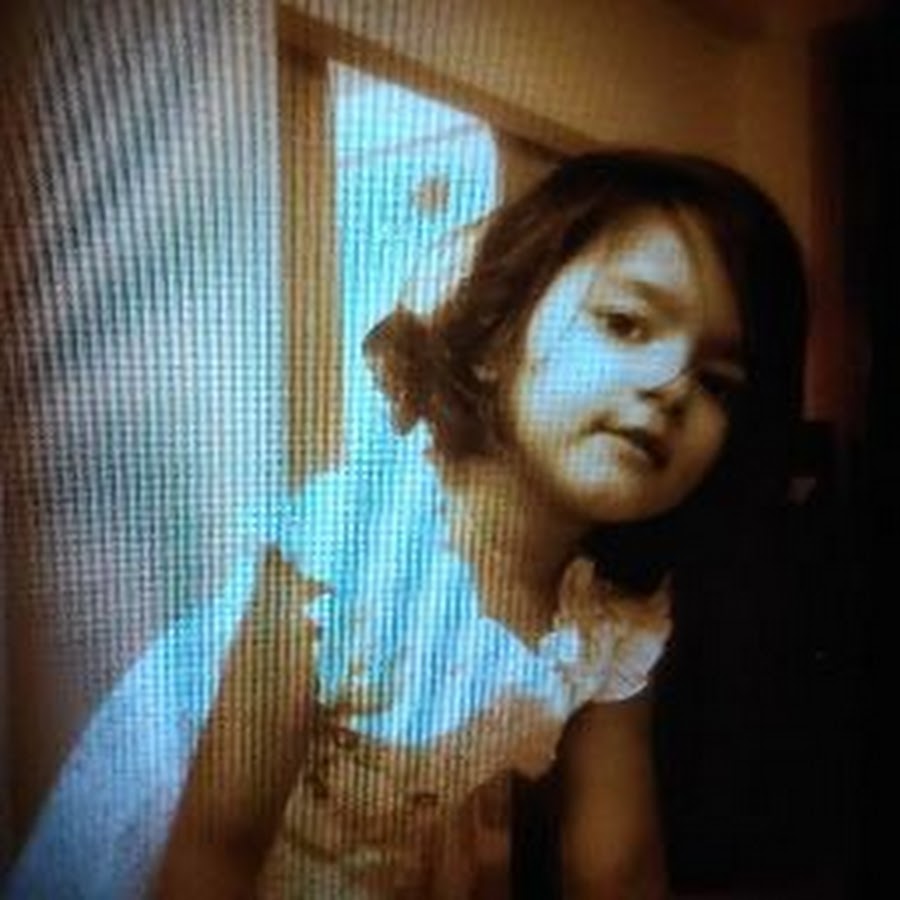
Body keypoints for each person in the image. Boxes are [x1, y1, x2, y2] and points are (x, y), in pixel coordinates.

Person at [6, 150, 807, 899]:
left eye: (718, 382)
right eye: (626, 323)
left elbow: (617, 861)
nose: (672, 383)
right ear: (495, 341)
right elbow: (213, 846)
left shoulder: (614, 616)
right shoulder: (347, 546)